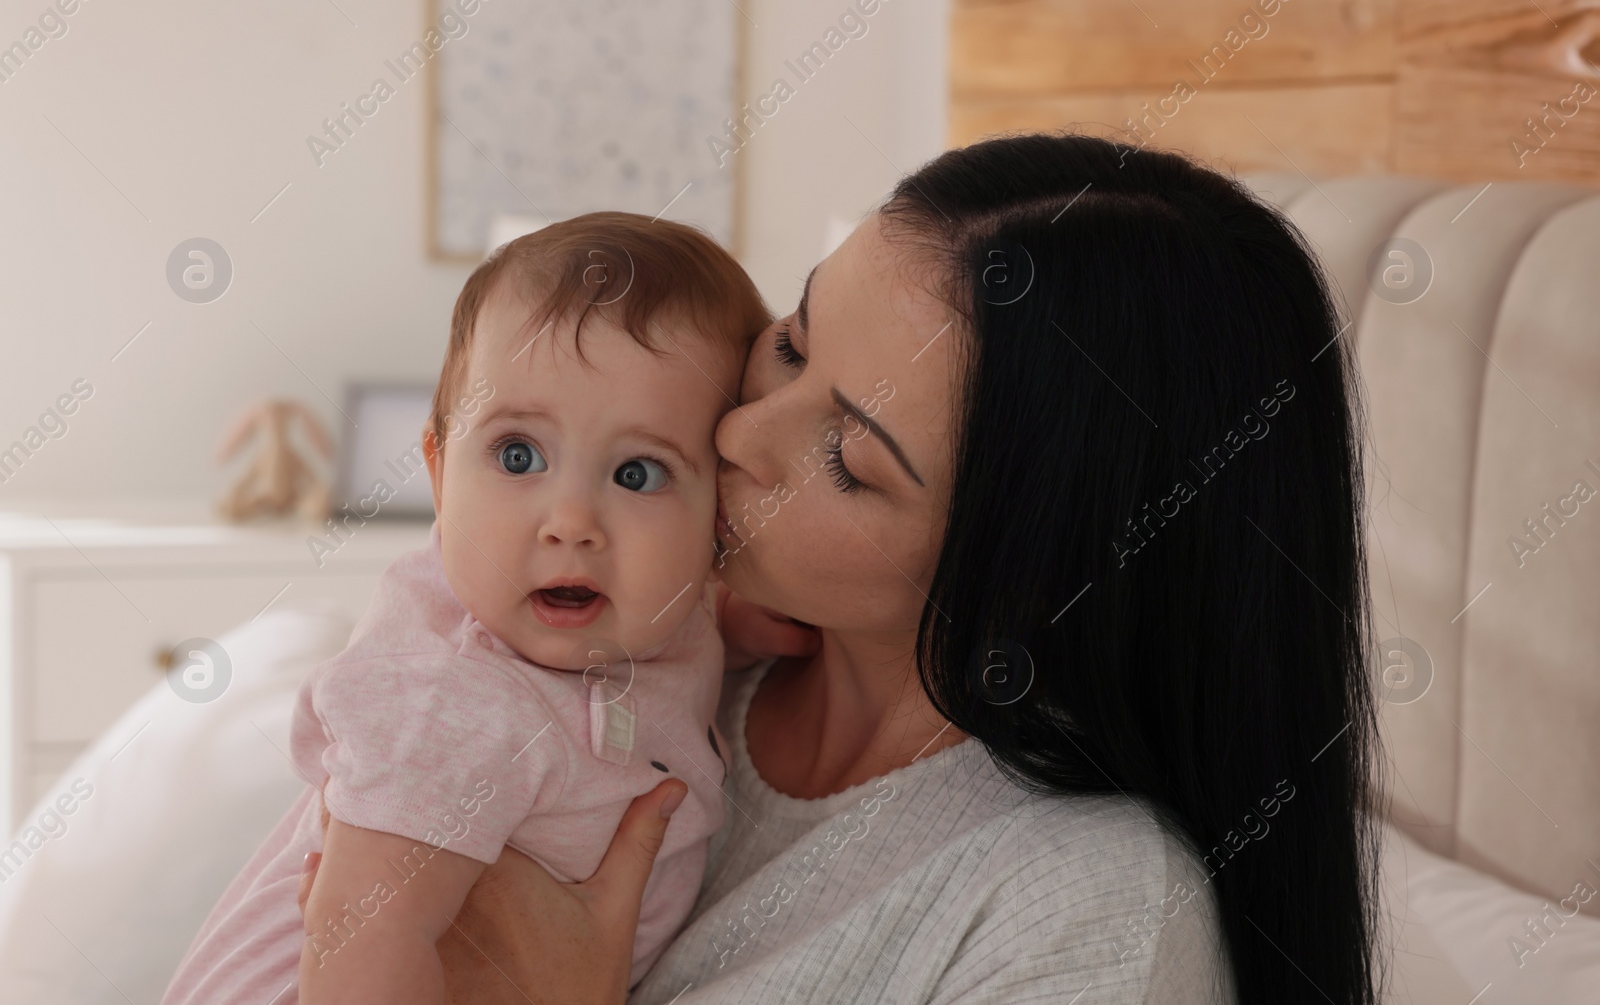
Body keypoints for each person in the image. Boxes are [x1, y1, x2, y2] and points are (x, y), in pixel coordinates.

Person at [303, 133, 1386, 1005]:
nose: (736, 437)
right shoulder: (616, 631)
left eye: (849, 458)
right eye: (792, 341)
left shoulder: (1080, 913)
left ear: (1024, 575)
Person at [164, 212, 772, 1004]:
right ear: (439, 473)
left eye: (638, 474)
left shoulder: (662, 609)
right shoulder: (452, 702)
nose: (570, 521)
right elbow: (361, 936)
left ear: (718, 517)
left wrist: (749, 620)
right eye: (518, 455)